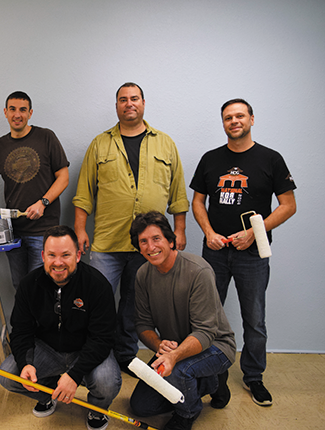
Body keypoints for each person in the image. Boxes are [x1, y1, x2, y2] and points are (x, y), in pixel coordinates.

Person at [72, 82, 189, 374]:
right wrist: (79, 230)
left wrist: (180, 231)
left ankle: (125, 356)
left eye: (134, 98)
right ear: (116, 107)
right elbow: (84, 191)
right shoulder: (100, 143)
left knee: (134, 307)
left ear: (144, 103)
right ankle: (91, 356)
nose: (129, 104)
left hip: (149, 247)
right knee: (94, 303)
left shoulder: (165, 143)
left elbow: (177, 194)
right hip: (107, 243)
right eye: (123, 100)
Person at [190, 98, 297, 407]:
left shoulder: (271, 159)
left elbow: (289, 205)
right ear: (223, 123)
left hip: (253, 254)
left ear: (251, 119)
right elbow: (198, 201)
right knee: (205, 315)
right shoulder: (210, 159)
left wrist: (254, 233)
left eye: (239, 116)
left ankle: (254, 377)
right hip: (216, 251)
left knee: (255, 318)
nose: (234, 121)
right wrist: (209, 233)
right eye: (228, 117)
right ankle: (206, 373)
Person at [0, 225, 121, 430]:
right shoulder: (29, 284)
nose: (58, 262)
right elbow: (20, 331)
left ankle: (98, 410)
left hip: (85, 350)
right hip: (47, 349)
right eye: (51, 255)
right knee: (7, 375)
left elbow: (103, 338)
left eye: (66, 255)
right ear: (43, 256)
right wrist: (25, 363)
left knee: (107, 382)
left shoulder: (98, 285)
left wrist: (74, 375)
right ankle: (47, 395)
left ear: (78, 255)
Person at [129, 211, 236, 430]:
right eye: (143, 242)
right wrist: (159, 345)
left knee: (180, 371)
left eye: (156, 238)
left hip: (216, 346)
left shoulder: (198, 271)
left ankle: (188, 413)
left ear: (170, 240)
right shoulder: (142, 274)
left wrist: (174, 356)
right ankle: (208, 382)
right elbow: (143, 325)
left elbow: (206, 332)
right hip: (176, 350)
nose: (151, 247)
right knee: (141, 406)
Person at [0, 91, 69, 290]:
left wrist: (43, 203)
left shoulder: (46, 137)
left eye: (23, 110)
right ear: (5, 113)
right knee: (20, 285)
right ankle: (26, 323)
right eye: (12, 109)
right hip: (11, 231)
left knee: (41, 285)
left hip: (43, 230)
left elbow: (63, 177)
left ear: (30, 113)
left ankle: (43, 323)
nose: (17, 115)